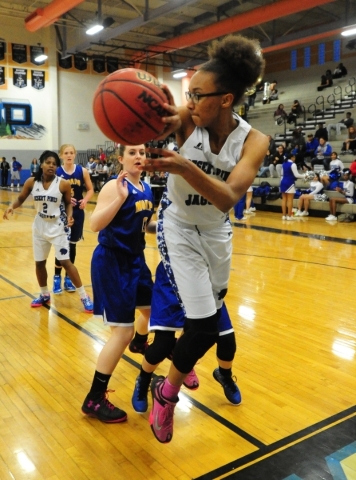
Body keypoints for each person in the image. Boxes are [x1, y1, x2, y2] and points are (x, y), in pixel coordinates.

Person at [140, 34, 267, 444]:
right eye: (187, 93)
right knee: (204, 323)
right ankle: (167, 393)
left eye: (197, 94)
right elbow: (166, 117)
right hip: (176, 228)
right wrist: (146, 110)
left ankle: (168, 382)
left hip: (215, 232)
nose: (190, 101)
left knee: (208, 330)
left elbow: (228, 197)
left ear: (226, 99)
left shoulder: (254, 141)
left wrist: (182, 167)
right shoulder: (187, 119)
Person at [81, 144, 156, 423]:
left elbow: (141, 224)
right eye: (133, 153)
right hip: (112, 262)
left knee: (154, 311)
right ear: (121, 158)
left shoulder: (147, 188)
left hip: (136, 260)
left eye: (142, 153)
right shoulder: (115, 186)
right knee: (120, 333)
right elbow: (95, 224)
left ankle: (140, 342)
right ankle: (94, 398)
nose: (139, 157)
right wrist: (118, 198)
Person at [131, 261, 241, 414]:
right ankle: (143, 380)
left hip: (203, 280)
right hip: (172, 278)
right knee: (162, 345)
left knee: (227, 340)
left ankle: (224, 376)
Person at [3, 150, 94, 312]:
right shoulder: (31, 182)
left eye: (54, 164)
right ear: (41, 163)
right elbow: (21, 198)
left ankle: (84, 295)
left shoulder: (63, 184)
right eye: (48, 162)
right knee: (39, 263)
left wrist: (70, 216)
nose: (51, 166)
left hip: (58, 226)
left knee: (66, 261)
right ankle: (44, 294)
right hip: (39, 226)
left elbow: (68, 204)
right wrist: (11, 206)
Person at [53, 144, 94, 294]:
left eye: (71, 152)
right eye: (66, 153)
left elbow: (90, 189)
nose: (69, 155)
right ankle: (56, 278)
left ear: (75, 154)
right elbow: (51, 192)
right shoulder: (57, 172)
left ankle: (68, 278)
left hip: (77, 213)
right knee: (61, 245)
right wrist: (65, 200)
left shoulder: (82, 171)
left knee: (72, 245)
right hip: (62, 212)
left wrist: (85, 200)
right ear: (61, 155)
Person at [280, 153, 305, 220]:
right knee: (290, 200)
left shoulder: (284, 164)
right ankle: (289, 216)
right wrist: (305, 175)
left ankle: (283, 216)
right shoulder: (293, 164)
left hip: (283, 182)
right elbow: (296, 175)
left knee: (284, 199)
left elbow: (282, 174)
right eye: (294, 157)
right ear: (292, 157)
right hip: (290, 183)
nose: (295, 158)